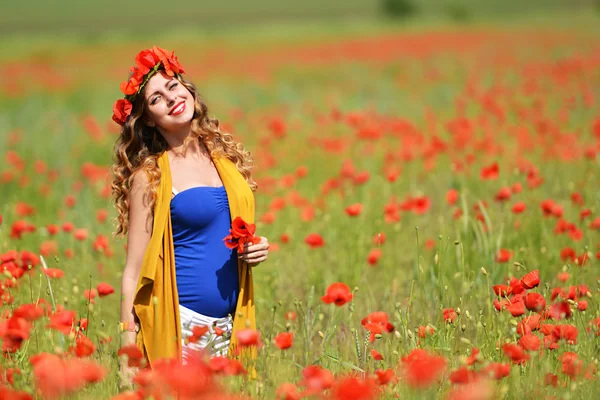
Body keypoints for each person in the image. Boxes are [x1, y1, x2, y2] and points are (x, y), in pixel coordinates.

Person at [110, 46, 269, 379]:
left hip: (232, 324)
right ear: (149, 120)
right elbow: (133, 270)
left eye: (172, 86)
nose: (170, 98)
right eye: (156, 99)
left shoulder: (224, 159)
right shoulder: (150, 176)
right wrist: (128, 343)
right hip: (180, 327)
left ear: (188, 89)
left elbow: (227, 234)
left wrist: (256, 247)